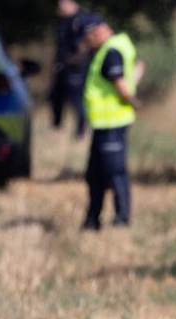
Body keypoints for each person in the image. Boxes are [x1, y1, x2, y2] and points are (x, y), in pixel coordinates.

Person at [77, 13, 144, 230]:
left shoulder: (110, 51)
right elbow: (135, 71)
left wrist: (133, 101)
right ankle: (92, 220)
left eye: (87, 38)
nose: (86, 43)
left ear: (97, 31)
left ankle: (121, 220)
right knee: (95, 174)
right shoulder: (114, 47)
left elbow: (120, 83)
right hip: (104, 124)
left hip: (111, 124)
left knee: (115, 173)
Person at [48, 0, 89, 139]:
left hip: (75, 68)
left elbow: (84, 45)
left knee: (76, 100)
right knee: (54, 97)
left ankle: (81, 130)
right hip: (62, 67)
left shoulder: (80, 20)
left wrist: (72, 61)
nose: (60, 6)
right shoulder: (63, 21)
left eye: (63, 3)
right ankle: (56, 126)